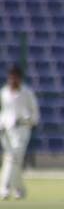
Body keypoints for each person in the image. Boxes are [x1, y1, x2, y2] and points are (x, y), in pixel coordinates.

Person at [0, 65, 39, 200]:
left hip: (22, 130)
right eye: (11, 77)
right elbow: (4, 112)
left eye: (15, 77)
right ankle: (19, 189)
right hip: (6, 131)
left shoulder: (27, 93)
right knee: (12, 159)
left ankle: (4, 189)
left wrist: (27, 120)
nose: (12, 80)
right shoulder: (4, 93)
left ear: (19, 78)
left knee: (12, 158)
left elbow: (34, 114)